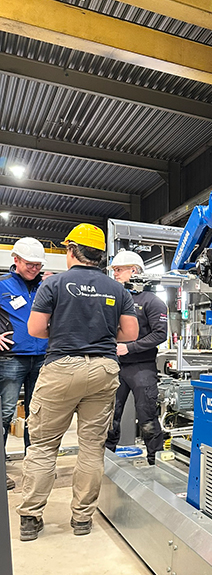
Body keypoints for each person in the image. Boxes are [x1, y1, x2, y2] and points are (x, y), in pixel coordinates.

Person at [17, 224, 138, 541]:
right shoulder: (117, 289)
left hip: (62, 368)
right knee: (91, 448)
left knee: (43, 447)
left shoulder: (53, 284)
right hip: (103, 370)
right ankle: (82, 519)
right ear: (100, 256)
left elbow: (35, 328)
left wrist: (63, 333)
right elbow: (130, 334)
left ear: (71, 251)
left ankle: (30, 519)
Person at [105, 250, 168, 464]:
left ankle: (155, 462)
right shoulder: (116, 299)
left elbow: (160, 334)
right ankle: (106, 459)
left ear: (134, 270)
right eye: (114, 270)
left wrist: (129, 348)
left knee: (147, 417)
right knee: (110, 416)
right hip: (116, 367)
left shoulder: (153, 301)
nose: (115, 274)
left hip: (142, 368)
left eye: (119, 270)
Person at [0, 238, 48, 489]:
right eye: (29, 263)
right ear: (15, 260)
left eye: (38, 264)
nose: (34, 268)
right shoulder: (3, 286)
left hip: (42, 359)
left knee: (37, 414)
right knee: (6, 413)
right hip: (12, 359)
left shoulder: (46, 287)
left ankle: (34, 466)